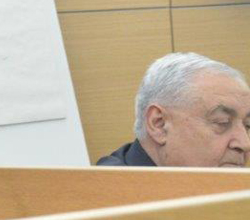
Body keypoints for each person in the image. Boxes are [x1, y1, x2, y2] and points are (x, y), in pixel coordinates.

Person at [97, 52, 250, 168]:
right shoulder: (105, 194)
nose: (244, 144)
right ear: (159, 124)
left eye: (248, 126)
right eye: (222, 122)